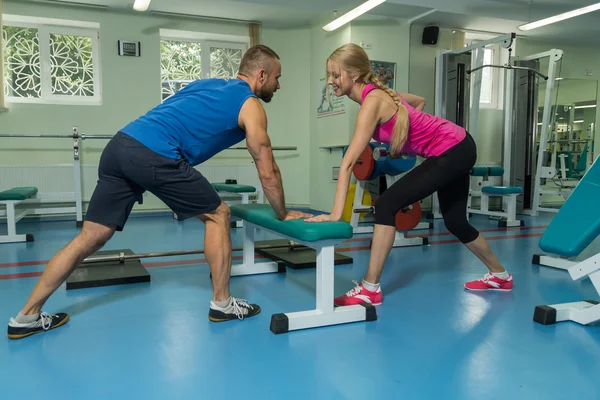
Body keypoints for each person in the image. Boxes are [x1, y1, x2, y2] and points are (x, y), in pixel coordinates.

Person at [7, 44, 311, 340]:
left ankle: (26, 317)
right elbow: (266, 168)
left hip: (120, 146)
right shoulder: (251, 105)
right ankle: (222, 304)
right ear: (260, 75)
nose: (278, 85)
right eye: (277, 78)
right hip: (153, 152)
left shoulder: (207, 84)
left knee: (90, 237)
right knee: (218, 214)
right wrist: (283, 213)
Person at [306, 43, 512, 307]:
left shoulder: (372, 103)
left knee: (387, 204)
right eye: (329, 76)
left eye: (336, 75)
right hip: (459, 144)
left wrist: (335, 215)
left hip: (452, 149)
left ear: (355, 74)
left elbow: (347, 163)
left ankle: (370, 287)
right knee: (456, 222)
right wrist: (402, 140)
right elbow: (417, 103)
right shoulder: (379, 96)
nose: (331, 82)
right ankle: (500, 275)